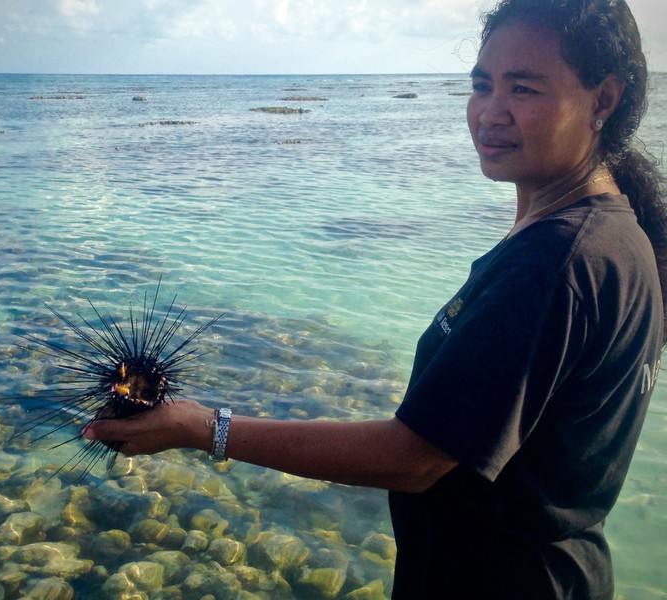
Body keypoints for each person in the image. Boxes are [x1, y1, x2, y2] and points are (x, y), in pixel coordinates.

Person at [83, 0, 666, 597]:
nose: (491, 112)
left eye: (524, 88)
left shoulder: (561, 264)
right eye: (481, 84)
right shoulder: (611, 237)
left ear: (602, 100)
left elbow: (413, 459)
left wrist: (205, 428)